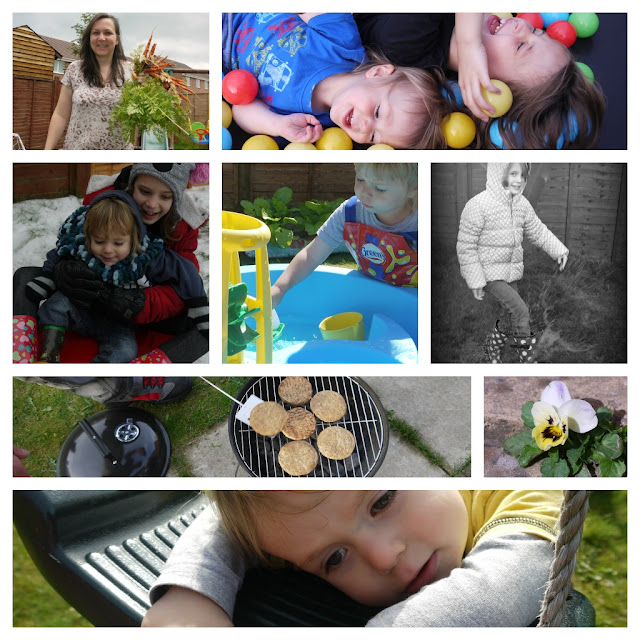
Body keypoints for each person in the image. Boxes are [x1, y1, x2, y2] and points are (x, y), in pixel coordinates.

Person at [142, 490, 563, 627]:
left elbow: (509, 581)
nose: (384, 557)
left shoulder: (513, 481)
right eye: (336, 558)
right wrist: (189, 595)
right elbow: (239, 521)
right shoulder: (305, 536)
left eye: (382, 501)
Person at [354, 13, 606, 149]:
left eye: (521, 47)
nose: (521, 25)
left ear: (493, 89)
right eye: (536, 31)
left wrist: (469, 42)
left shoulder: (406, 44)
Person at [25, 190, 208, 362]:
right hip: (81, 309)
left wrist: (199, 308)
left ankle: (99, 378)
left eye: (118, 243)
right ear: (88, 237)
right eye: (98, 241)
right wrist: (48, 278)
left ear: (134, 238)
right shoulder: (82, 249)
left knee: (125, 349)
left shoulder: (146, 258)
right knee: (55, 306)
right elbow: (58, 254)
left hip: (118, 322)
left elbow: (186, 273)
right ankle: (49, 355)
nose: (107, 250)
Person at [224, 13, 453, 149]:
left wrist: (276, 125)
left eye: (373, 138)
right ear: (379, 73)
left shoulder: (313, 124)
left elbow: (241, 107)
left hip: (222, 58)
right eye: (377, 113)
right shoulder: (341, 45)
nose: (365, 128)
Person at [456, 163, 569, 363]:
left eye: (523, 175)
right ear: (499, 174)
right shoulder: (478, 205)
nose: (519, 180)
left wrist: (558, 249)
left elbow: (537, 231)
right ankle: (526, 358)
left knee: (507, 314)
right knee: (521, 311)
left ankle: (492, 347)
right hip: (489, 273)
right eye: (513, 173)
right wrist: (476, 279)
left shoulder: (521, 204)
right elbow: (466, 246)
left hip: (511, 271)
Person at [270, 163, 417, 309]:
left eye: (380, 188)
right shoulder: (350, 213)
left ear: (413, 188)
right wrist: (280, 287)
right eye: (360, 179)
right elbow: (311, 255)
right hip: (368, 293)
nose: (364, 192)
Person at [44, 13, 133, 150]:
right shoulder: (74, 69)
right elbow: (60, 115)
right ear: (89, 38)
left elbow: (143, 116)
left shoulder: (131, 71)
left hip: (118, 159)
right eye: (96, 33)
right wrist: (46, 153)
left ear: (117, 40)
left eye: (108, 33)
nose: (101, 38)